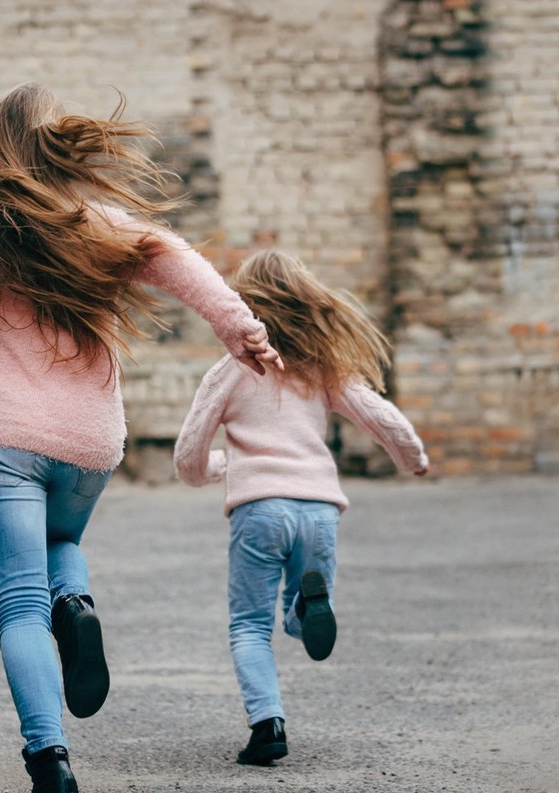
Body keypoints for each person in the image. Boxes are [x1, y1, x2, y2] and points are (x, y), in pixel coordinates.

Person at [0, 83, 282, 793]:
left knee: (18, 606)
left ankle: (51, 768)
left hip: (9, 443)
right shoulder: (96, 228)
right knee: (62, 549)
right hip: (91, 444)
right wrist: (240, 328)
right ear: (53, 147)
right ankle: (79, 607)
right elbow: (174, 255)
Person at [172, 248, 428, 767]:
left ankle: (268, 726)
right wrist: (413, 458)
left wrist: (216, 469)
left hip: (259, 509)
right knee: (303, 609)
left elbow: (187, 454)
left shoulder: (230, 371)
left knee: (248, 624)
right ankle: (306, 607)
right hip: (319, 509)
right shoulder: (325, 369)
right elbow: (380, 417)